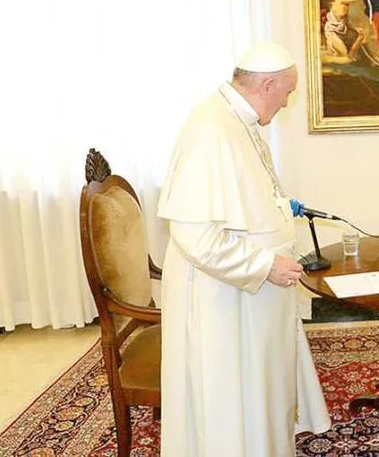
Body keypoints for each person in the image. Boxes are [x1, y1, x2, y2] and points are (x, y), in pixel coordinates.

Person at [156, 42, 331, 456]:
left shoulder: (239, 120)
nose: (286, 103)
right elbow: (196, 236)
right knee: (230, 400)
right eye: (286, 92)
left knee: (257, 393)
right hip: (222, 296)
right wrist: (264, 266)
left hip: (247, 297)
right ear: (267, 85)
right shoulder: (211, 130)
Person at [322, 0, 371, 64]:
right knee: (343, 54)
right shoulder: (339, 0)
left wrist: (355, 28)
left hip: (342, 29)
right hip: (332, 30)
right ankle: (349, 58)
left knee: (361, 36)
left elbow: (346, 21)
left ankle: (352, 56)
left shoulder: (346, 5)